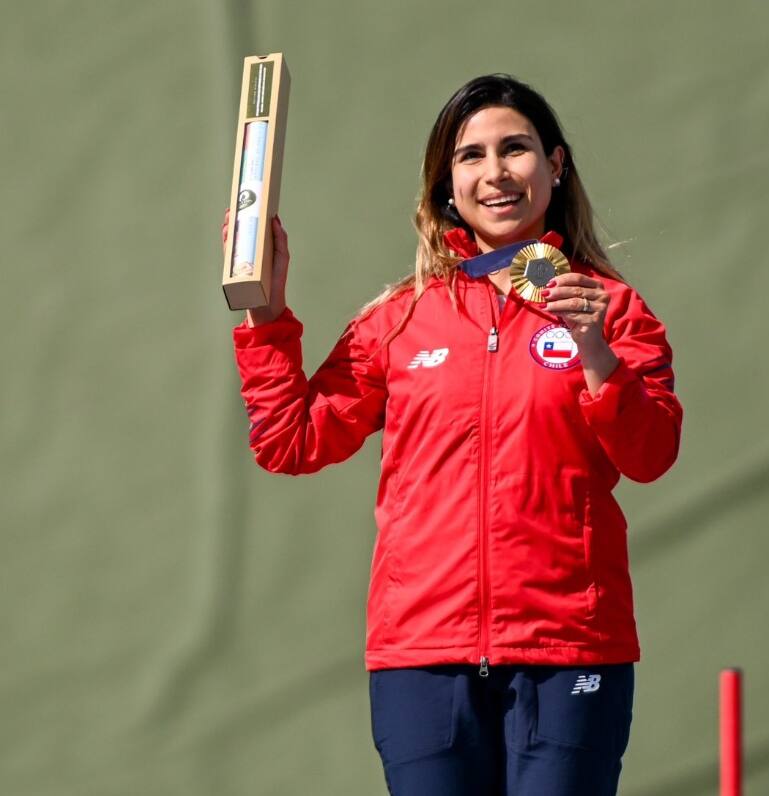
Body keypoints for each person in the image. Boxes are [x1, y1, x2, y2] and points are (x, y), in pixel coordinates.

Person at [223, 74, 682, 796]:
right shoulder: (399, 321)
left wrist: (596, 351)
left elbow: (651, 455)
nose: (494, 172)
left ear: (555, 166)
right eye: (470, 157)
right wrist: (266, 318)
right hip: (422, 656)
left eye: (515, 149)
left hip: (568, 649)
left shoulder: (611, 309)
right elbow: (291, 440)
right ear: (447, 184)